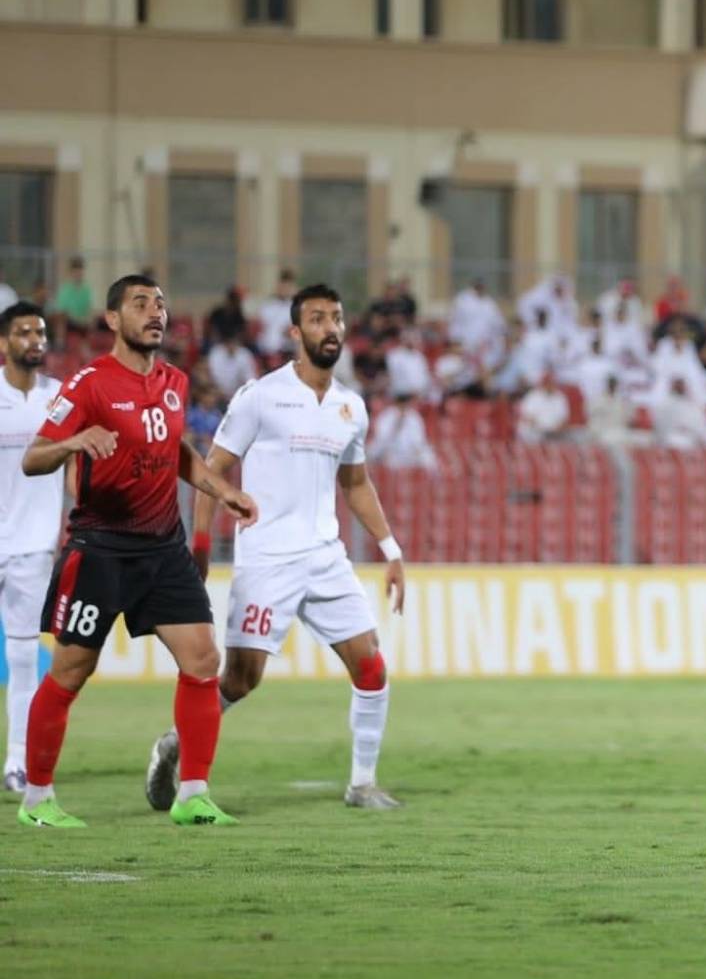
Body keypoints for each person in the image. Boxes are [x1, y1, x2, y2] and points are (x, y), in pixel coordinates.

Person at [147, 283, 407, 813]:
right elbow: (211, 472)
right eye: (316, 319)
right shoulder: (260, 396)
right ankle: (173, 745)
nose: (329, 328)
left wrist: (391, 549)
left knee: (372, 667)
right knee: (242, 681)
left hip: (325, 557)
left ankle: (362, 784)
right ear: (295, 332)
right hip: (267, 558)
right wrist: (200, 544)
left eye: (335, 318)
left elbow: (354, 484)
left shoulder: (349, 408)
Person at [17, 274, 258, 827]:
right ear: (112, 320)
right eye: (140, 304)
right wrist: (75, 442)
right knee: (72, 671)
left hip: (162, 547)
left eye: (161, 304)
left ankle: (192, 792)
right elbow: (34, 458)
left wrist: (224, 491)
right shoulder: (88, 384)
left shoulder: (174, 381)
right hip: (100, 549)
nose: (156, 312)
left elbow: (175, 449)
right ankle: (37, 800)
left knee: (202, 660)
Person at [0, 304, 63, 793]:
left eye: (39, 332)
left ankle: (17, 760)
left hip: (33, 549)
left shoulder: (60, 400)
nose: (34, 339)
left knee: (23, 659)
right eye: (23, 332)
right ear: (4, 344)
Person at [648, 377, 706, 452]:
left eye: (682, 385)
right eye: (678, 385)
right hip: (677, 435)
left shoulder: (693, 403)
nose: (680, 387)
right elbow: (661, 425)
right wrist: (681, 430)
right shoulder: (664, 404)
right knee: (677, 442)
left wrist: (700, 435)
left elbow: (703, 422)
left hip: (696, 435)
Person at [448, 279, 508, 369]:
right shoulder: (463, 300)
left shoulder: (489, 302)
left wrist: (503, 334)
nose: (481, 289)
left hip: (485, 346)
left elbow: (499, 323)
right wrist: (456, 341)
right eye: (479, 286)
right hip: (466, 344)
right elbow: (455, 321)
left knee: (485, 368)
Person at [368, 395, 439, 471]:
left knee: (429, 458)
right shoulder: (386, 416)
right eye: (401, 402)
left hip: (410, 452)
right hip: (391, 451)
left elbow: (419, 438)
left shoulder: (414, 416)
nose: (403, 405)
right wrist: (396, 425)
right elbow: (381, 438)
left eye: (405, 402)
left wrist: (417, 449)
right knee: (386, 460)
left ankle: (431, 482)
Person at [516, 373, 572, 444]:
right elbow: (527, 418)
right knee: (530, 432)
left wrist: (554, 430)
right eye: (548, 383)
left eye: (552, 383)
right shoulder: (532, 396)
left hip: (553, 433)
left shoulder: (560, 397)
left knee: (569, 437)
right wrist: (542, 429)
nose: (551, 385)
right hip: (535, 431)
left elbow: (564, 419)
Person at [253, 270, 297, 359]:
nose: (284, 289)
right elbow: (259, 328)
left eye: (288, 286)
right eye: (282, 286)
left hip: (286, 351)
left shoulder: (294, 307)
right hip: (265, 351)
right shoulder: (267, 306)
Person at [205, 330, 260, 397]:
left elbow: (250, 379)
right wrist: (219, 392)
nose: (231, 345)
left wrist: (240, 393)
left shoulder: (245, 354)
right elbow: (211, 375)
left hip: (239, 394)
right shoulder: (215, 353)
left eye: (234, 342)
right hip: (217, 394)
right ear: (225, 343)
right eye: (229, 343)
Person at [52, 259, 93, 342]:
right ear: (71, 272)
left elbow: (89, 309)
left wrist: (86, 319)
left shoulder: (86, 290)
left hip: (83, 322)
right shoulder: (65, 289)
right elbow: (62, 310)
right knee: (61, 319)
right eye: (76, 272)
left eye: (80, 272)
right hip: (70, 322)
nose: (78, 274)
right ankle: (60, 343)